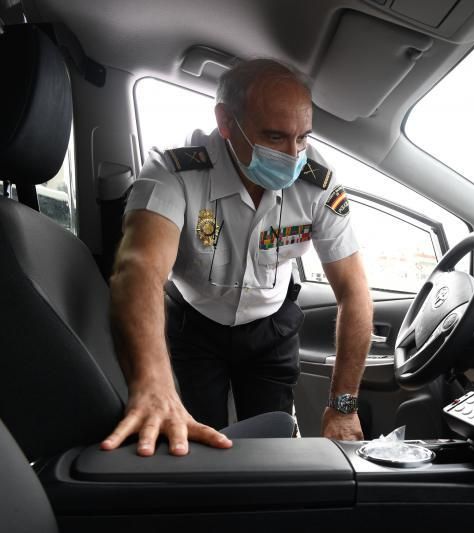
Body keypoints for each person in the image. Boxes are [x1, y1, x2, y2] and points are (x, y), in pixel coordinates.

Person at [101, 59, 373, 457]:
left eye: (304, 138)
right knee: (191, 445)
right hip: (194, 325)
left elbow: (354, 292)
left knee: (272, 449)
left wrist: (343, 405)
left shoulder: (317, 183)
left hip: (270, 330)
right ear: (226, 122)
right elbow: (137, 271)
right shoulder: (175, 172)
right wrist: (152, 386)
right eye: (276, 137)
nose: (294, 154)